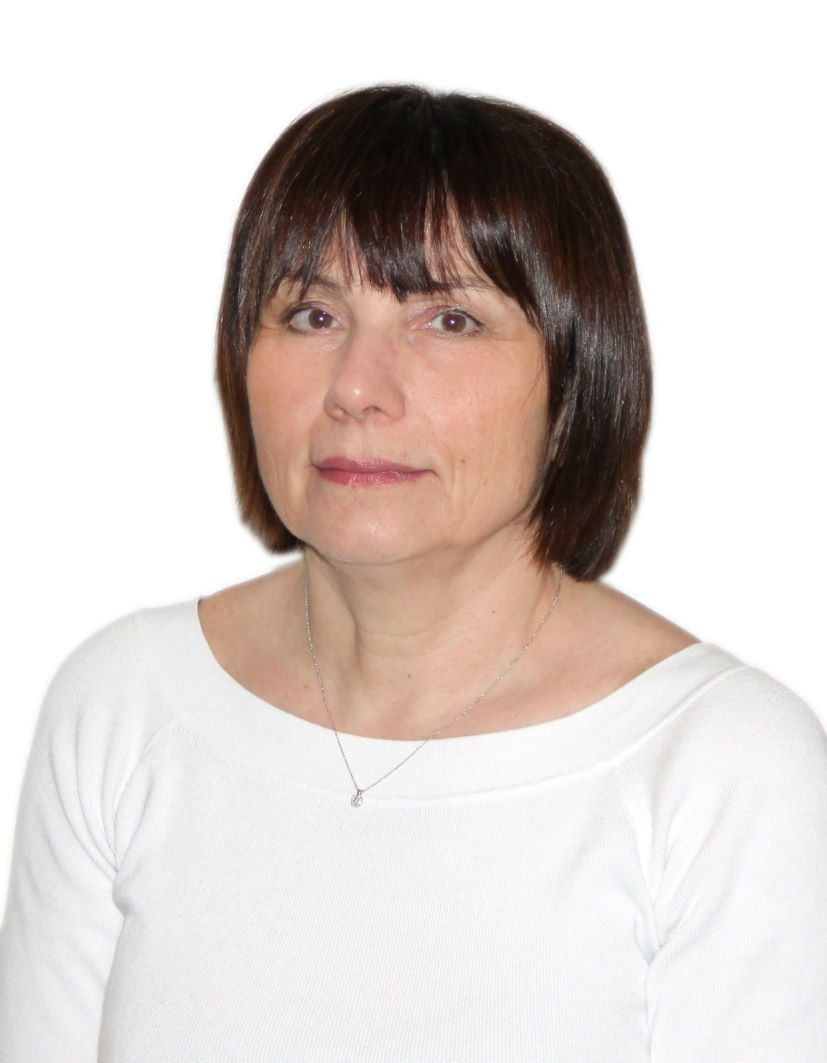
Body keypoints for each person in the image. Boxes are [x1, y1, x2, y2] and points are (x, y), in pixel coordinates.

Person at [1, 83, 826, 1062]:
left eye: (449, 322)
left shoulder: (716, 763)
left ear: (576, 375)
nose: (355, 387)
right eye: (312, 313)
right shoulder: (124, 704)